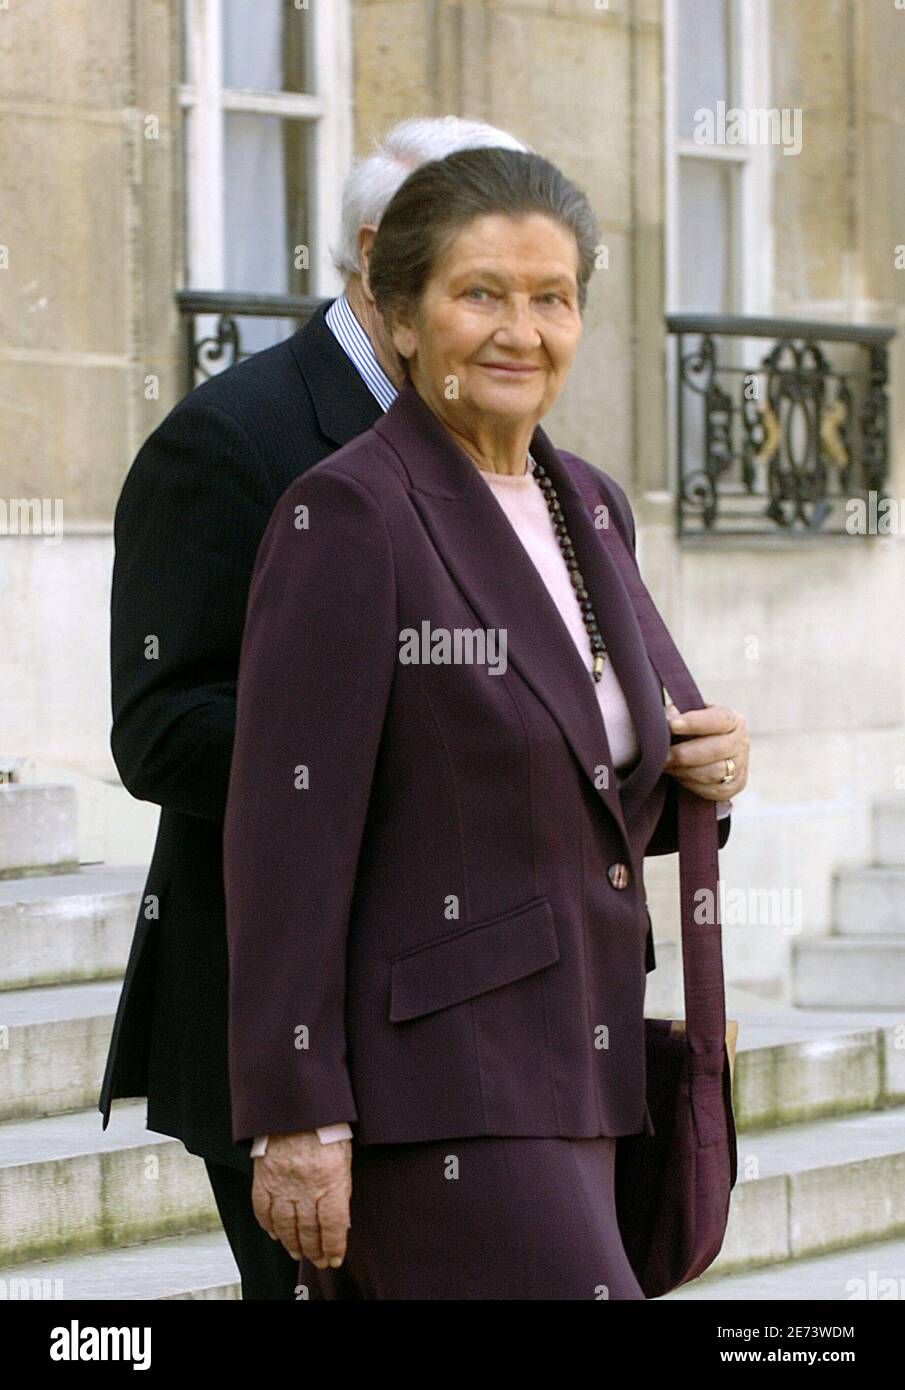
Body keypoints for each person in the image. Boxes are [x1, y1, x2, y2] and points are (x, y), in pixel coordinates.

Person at [223, 146, 748, 1301]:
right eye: (479, 294)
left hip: (587, 1058)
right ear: (399, 320)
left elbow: (565, 781)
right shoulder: (349, 512)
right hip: (443, 1087)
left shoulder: (588, 503)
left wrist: (697, 767)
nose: (520, 330)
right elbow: (284, 837)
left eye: (549, 297)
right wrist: (295, 1110)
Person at [98, 116, 532, 1301]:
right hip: (288, 1031)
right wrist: (411, 745)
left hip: (486, 1022)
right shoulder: (229, 439)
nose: (511, 318)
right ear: (375, 251)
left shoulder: (509, 437)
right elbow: (159, 727)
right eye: (474, 267)